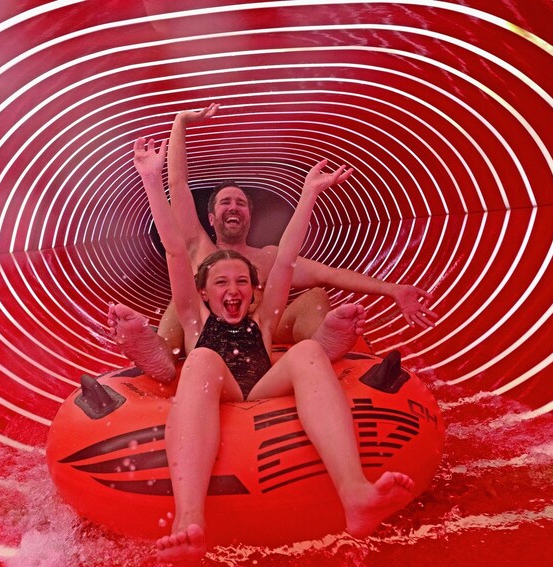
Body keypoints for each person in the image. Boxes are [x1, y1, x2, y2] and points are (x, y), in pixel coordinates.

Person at [123, 135, 415, 561]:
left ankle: (355, 493)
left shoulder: (264, 319)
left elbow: (288, 258)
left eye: (242, 281)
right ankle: (189, 520)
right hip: (217, 386)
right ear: (203, 292)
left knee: (308, 352)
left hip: (260, 387)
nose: (233, 289)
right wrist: (151, 180)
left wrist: (309, 194)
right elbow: (173, 248)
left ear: (254, 289)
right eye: (221, 282)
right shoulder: (192, 317)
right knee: (201, 358)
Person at [111, 103, 439, 383]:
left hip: (259, 331)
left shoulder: (267, 258)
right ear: (211, 218)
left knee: (315, 297)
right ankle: (159, 355)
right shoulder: (198, 247)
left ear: (249, 217)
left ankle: (323, 344)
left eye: (240, 203)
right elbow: (178, 184)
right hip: (201, 329)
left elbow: (331, 274)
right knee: (182, 299)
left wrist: (394, 290)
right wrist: (181, 122)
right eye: (225, 202)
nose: (233, 207)